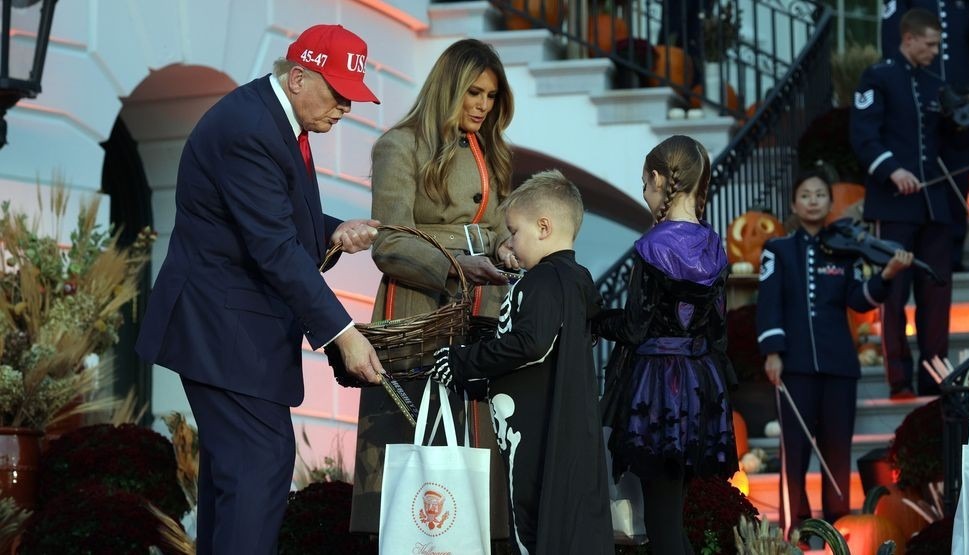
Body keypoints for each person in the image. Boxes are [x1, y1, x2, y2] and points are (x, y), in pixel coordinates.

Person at [135, 25, 384, 554]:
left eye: (352, 98)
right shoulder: (250, 129)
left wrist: (331, 230)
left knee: (237, 481)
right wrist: (344, 333)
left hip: (230, 332)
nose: (346, 108)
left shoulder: (272, 120)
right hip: (224, 333)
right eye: (338, 93)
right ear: (298, 77)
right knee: (260, 470)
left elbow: (266, 220)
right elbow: (273, 248)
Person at [349, 39, 518, 543]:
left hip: (481, 313)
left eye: (491, 96)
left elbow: (502, 225)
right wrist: (456, 261)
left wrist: (508, 250)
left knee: (476, 445)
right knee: (414, 445)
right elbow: (390, 242)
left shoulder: (490, 149)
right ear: (448, 87)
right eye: (473, 92)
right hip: (419, 313)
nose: (483, 106)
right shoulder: (399, 145)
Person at [426, 169, 615, 555]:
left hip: (533, 438)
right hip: (555, 433)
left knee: (529, 530)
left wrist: (462, 362)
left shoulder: (543, 280)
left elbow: (530, 344)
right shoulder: (578, 280)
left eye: (514, 231)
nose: (510, 242)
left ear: (543, 227)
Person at [593, 135, 737, 555]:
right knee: (674, 517)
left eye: (644, 184)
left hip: (658, 389)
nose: (645, 193)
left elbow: (636, 329)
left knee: (662, 525)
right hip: (699, 385)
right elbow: (718, 329)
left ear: (658, 178)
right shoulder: (713, 245)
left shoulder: (652, 246)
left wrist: (592, 316)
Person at [755, 169, 913, 537]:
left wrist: (886, 275)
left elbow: (859, 299)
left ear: (829, 202)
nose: (813, 200)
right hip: (793, 365)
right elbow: (769, 305)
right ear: (794, 204)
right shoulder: (776, 250)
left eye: (820, 195)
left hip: (840, 366)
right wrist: (772, 352)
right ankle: (796, 527)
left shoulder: (845, 251)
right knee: (794, 452)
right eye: (805, 195)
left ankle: (836, 525)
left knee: (836, 454)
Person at [850, 8, 969, 397]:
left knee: (937, 294)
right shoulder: (877, 77)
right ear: (909, 39)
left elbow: (951, 141)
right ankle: (899, 380)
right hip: (893, 206)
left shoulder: (934, 82)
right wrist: (892, 170)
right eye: (930, 44)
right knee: (893, 294)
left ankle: (934, 377)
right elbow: (864, 136)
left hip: (935, 205)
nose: (936, 51)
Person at [880, 0, 969, 272]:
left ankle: (951, 255)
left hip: (961, 101)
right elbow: (894, 38)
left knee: (957, 175)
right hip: (919, 96)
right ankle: (914, 255)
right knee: (918, 171)